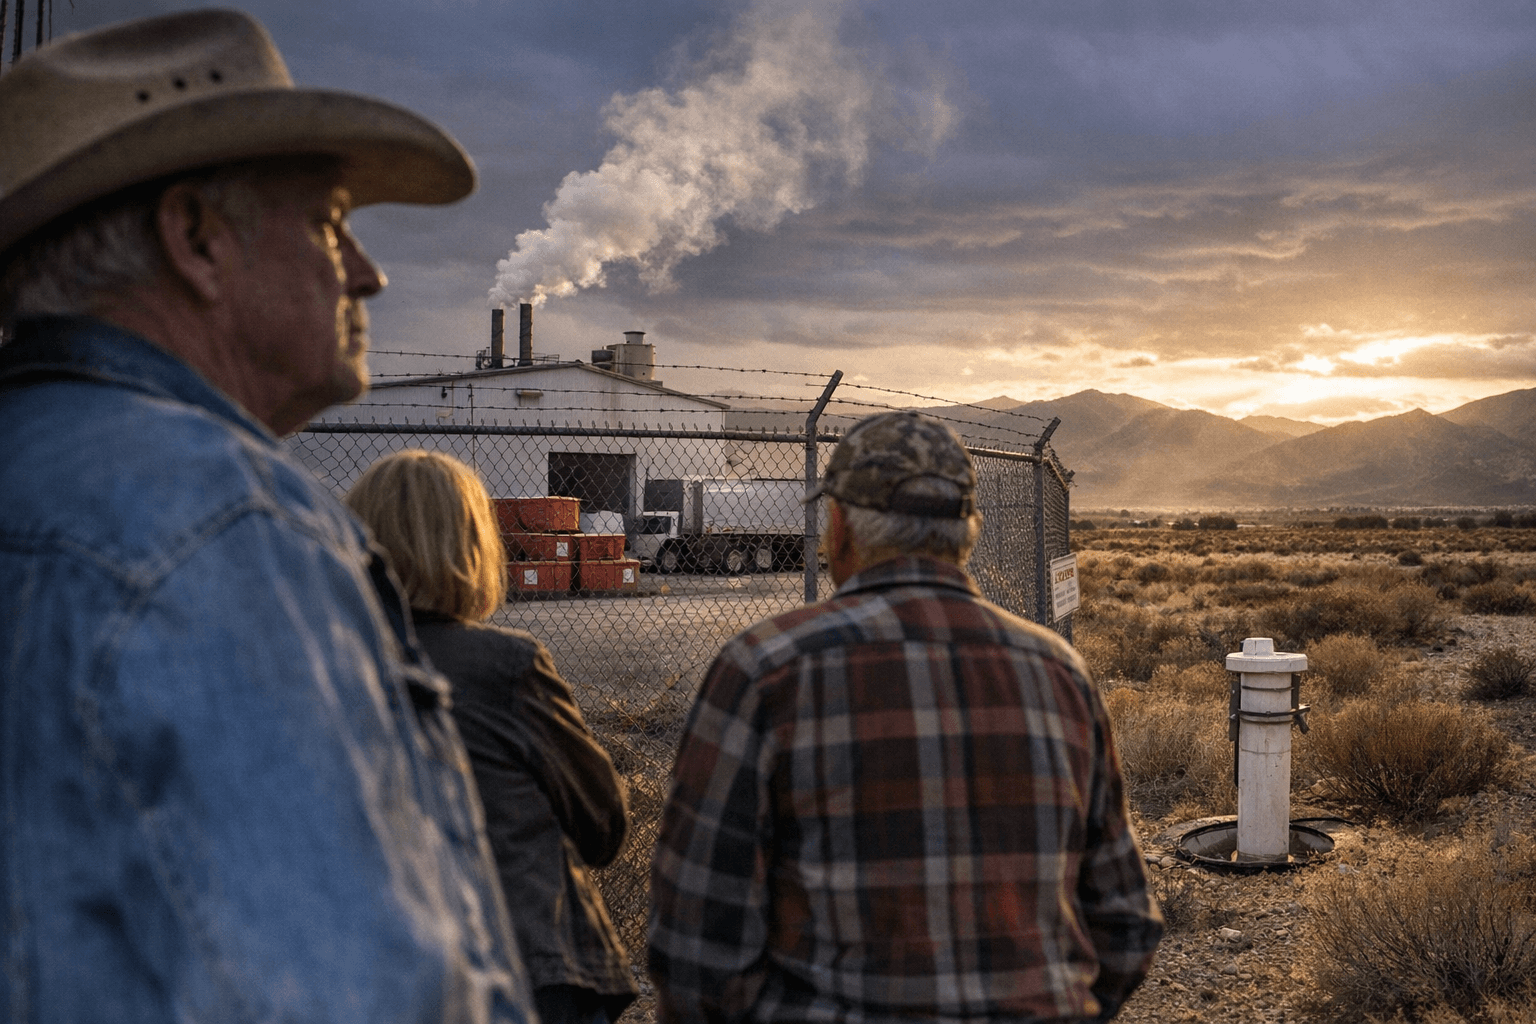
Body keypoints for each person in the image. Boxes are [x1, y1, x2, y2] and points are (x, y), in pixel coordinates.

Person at [0, 11, 535, 1022]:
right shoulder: (223, 522)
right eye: (330, 222)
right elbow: (362, 994)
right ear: (196, 238)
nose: (367, 272)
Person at [649, 411, 1163, 1024]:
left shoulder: (766, 672)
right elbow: (1125, 923)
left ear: (841, 529)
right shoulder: (1059, 674)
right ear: (968, 532)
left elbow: (697, 949)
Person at [346, 450, 640, 1024]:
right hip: (526, 970)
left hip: (378, 977)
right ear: (476, 549)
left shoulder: (328, 669)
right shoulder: (507, 666)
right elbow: (603, 826)